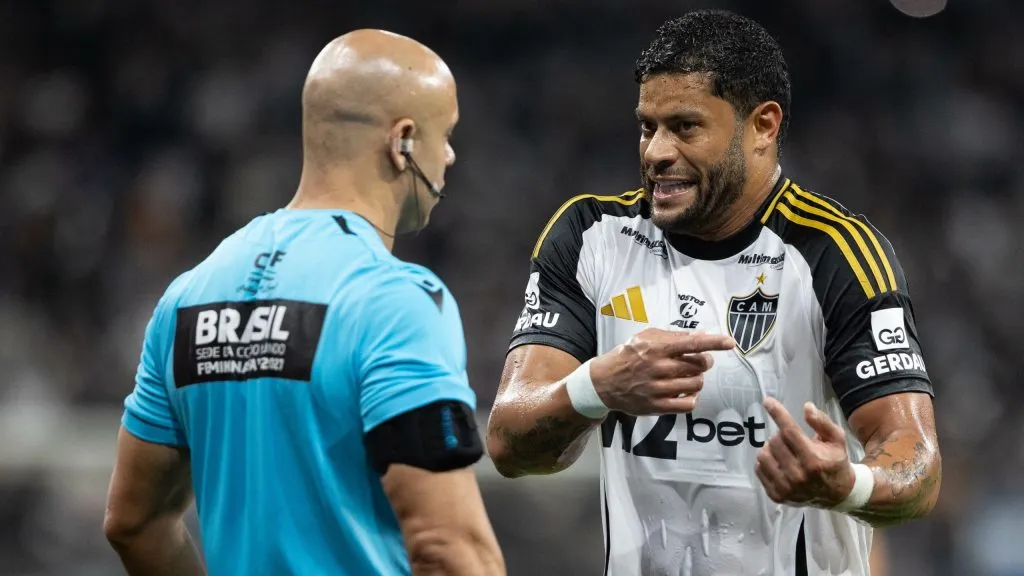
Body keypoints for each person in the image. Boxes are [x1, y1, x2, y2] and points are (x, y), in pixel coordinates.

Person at [487, 10, 939, 576]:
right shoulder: (591, 238)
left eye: (685, 127)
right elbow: (508, 442)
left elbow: (917, 466)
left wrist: (849, 484)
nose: (656, 152)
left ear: (763, 126)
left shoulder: (835, 253)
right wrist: (596, 386)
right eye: (647, 126)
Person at [103, 29, 505, 576]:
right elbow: (448, 549)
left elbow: (132, 523)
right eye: (447, 135)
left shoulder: (188, 298)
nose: (451, 156)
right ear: (404, 142)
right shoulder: (393, 300)